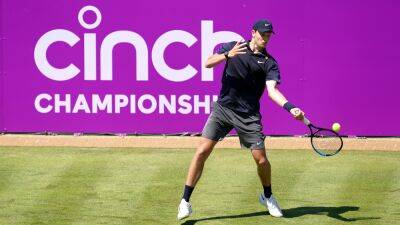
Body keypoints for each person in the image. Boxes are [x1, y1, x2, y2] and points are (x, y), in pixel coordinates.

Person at [177, 19, 305, 220]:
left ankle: (268, 196)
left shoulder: (269, 63)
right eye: (262, 34)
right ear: (253, 32)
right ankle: (185, 201)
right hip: (223, 109)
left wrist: (291, 108)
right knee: (202, 151)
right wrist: (227, 55)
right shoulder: (234, 47)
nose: (265, 38)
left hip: (248, 116)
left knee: (261, 160)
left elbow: (272, 91)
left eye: (269, 35)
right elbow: (207, 63)